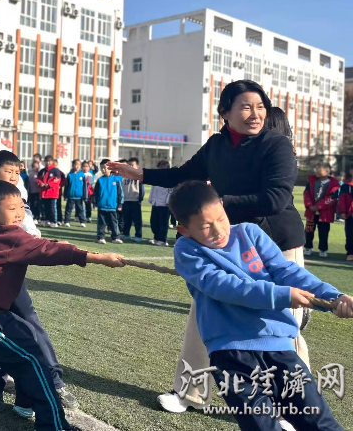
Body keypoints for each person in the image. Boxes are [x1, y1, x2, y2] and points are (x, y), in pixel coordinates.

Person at [108, 80, 310, 413]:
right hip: (226, 239)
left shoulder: (277, 145)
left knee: (281, 324)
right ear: (225, 112)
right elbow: (184, 174)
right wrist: (139, 173)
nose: (255, 114)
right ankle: (189, 392)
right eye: (246, 107)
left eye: (260, 107)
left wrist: (218, 205)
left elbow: (275, 199)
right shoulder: (217, 145)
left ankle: (291, 405)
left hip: (276, 243)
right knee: (204, 312)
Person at [169, 180, 351, 431]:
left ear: (223, 206)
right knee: (262, 426)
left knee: (319, 422)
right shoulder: (187, 250)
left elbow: (287, 271)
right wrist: (280, 295)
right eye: (206, 227)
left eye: (221, 219)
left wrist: (333, 297)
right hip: (231, 354)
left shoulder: (249, 233)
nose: (219, 231)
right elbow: (224, 286)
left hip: (280, 348)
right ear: (185, 230)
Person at [0, 180, 124, 431]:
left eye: (21, 207)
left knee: (30, 342)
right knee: (30, 359)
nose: (19, 213)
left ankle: (27, 403)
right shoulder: (10, 236)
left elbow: (38, 246)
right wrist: (97, 258)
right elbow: (46, 251)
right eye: (11, 209)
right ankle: (52, 425)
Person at [0, 152, 81, 414]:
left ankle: (53, 382)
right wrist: (25, 242)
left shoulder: (20, 199)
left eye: (17, 172)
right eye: (8, 171)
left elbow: (31, 230)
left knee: (31, 326)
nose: (14, 176)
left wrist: (34, 240)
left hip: (12, 278)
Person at [303, 163, 339, 258]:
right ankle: (308, 247)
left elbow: (332, 198)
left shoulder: (334, 184)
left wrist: (319, 206)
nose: (317, 171)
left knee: (323, 232)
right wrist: (310, 205)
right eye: (316, 169)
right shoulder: (311, 181)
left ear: (327, 171)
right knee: (309, 230)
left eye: (319, 169)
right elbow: (306, 193)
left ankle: (323, 249)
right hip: (311, 212)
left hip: (325, 213)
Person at [94, 159, 123, 245]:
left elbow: (120, 193)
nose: (103, 169)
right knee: (101, 223)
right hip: (102, 206)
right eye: (101, 168)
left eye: (105, 167)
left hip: (112, 206)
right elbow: (95, 193)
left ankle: (115, 237)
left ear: (110, 168)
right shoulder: (100, 180)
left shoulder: (116, 180)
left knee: (113, 223)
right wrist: (95, 204)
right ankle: (101, 237)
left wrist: (120, 204)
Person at [148, 160, 173, 247]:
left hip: (164, 205)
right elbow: (153, 190)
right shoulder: (156, 178)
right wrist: (151, 200)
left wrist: (167, 202)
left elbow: (170, 192)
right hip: (155, 204)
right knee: (154, 222)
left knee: (163, 223)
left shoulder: (170, 179)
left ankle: (162, 240)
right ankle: (156, 238)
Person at [120, 157, 144, 242]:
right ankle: (126, 233)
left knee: (137, 220)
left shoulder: (139, 176)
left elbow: (142, 189)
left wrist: (139, 199)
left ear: (137, 166)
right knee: (126, 219)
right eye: (129, 165)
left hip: (135, 201)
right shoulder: (124, 176)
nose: (130, 167)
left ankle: (138, 235)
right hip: (126, 200)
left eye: (132, 165)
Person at [38, 155, 63, 228]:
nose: (48, 163)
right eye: (46, 161)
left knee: (52, 208)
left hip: (52, 193)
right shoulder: (42, 171)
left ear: (52, 162)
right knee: (43, 208)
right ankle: (45, 220)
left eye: (49, 161)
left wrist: (48, 185)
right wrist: (40, 183)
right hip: (43, 193)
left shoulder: (55, 171)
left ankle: (53, 221)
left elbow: (57, 180)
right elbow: (38, 179)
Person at [63, 159, 87, 227]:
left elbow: (84, 187)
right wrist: (65, 195)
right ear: (73, 165)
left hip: (79, 196)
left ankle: (82, 221)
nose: (77, 166)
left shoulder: (82, 175)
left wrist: (85, 196)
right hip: (71, 196)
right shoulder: (69, 175)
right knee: (68, 209)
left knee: (80, 209)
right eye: (76, 164)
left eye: (78, 165)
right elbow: (66, 186)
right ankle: (67, 221)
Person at [339, 164, 353, 262]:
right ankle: (350, 253)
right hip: (350, 215)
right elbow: (342, 199)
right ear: (351, 171)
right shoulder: (345, 186)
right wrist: (342, 211)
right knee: (350, 234)